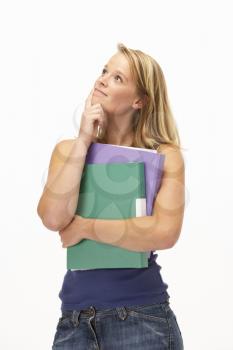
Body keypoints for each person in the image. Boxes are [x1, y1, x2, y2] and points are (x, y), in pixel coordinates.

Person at [37, 43, 185, 349]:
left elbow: (164, 233)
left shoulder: (164, 156)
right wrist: (83, 141)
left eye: (117, 77)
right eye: (104, 71)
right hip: (74, 323)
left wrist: (84, 227)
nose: (102, 79)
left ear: (139, 100)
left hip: (143, 320)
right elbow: (53, 218)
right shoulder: (68, 150)